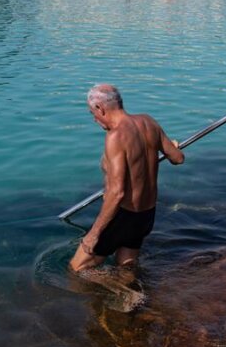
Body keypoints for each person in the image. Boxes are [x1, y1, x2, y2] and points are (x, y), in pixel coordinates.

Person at [69, 84, 184, 271]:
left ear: (100, 108)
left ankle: (111, 289)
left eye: (92, 113)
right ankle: (131, 296)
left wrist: (94, 234)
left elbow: (117, 192)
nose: (94, 119)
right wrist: (172, 146)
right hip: (146, 214)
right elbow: (178, 158)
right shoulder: (148, 122)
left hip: (124, 214)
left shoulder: (116, 137)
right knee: (126, 267)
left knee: (76, 269)